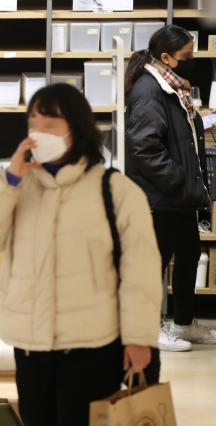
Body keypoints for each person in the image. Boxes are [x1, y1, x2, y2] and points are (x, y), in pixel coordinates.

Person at [0, 84, 162, 426]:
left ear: (77, 128)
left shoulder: (115, 189)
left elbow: (140, 272)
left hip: (93, 344)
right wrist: (9, 180)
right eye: (32, 123)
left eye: (50, 124)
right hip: (31, 344)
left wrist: (139, 339)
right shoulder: (19, 186)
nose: (38, 133)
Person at [125, 25, 216, 356]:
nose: (192, 60)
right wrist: (178, 181)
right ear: (166, 58)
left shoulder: (171, 86)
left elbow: (174, 134)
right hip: (160, 196)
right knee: (155, 264)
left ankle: (183, 323)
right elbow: (144, 148)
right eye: (187, 55)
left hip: (178, 196)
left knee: (189, 255)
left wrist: (203, 124)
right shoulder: (150, 90)